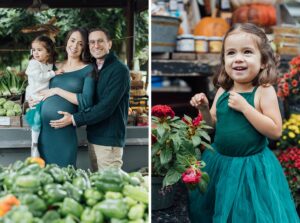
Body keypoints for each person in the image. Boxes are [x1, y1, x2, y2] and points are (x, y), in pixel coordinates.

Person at [189, 23, 299, 223]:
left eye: (247, 52)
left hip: (252, 168)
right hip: (220, 163)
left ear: (264, 61)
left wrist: (246, 108)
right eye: (231, 53)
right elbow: (212, 125)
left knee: (248, 213)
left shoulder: (263, 91)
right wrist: (204, 109)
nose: (238, 58)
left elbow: (275, 131)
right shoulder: (223, 90)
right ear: (224, 60)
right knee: (217, 207)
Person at [48, 28, 130, 171]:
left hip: (108, 139)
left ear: (109, 44)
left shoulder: (119, 70)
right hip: (94, 136)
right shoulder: (98, 68)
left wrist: (74, 119)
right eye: (92, 42)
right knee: (98, 185)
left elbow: (105, 108)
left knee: (110, 187)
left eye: (100, 41)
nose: (96, 45)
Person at [35, 28, 97, 167]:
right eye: (72, 40)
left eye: (80, 43)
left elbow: (86, 102)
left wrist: (57, 90)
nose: (74, 46)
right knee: (44, 178)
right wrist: (33, 100)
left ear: (85, 48)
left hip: (64, 131)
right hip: (43, 131)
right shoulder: (54, 65)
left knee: (65, 175)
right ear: (67, 41)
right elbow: (39, 88)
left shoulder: (89, 69)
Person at [25, 35, 64, 157]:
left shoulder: (48, 64)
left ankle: (45, 144)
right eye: (34, 50)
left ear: (48, 52)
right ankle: (34, 145)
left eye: (39, 50)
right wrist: (54, 73)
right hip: (36, 97)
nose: (35, 53)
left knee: (44, 120)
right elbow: (39, 78)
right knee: (36, 121)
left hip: (44, 97)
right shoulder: (33, 63)